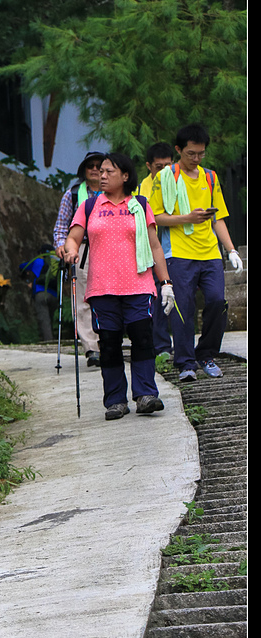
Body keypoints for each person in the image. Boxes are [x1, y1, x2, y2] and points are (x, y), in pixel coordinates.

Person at [64, 153, 175, 421]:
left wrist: (166, 283)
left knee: (142, 338)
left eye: (108, 171)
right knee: (110, 344)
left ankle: (146, 394)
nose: (101, 176)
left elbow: (154, 245)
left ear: (125, 176)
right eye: (100, 171)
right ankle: (115, 400)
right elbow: (73, 237)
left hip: (138, 284)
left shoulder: (139, 205)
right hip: (102, 288)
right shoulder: (90, 206)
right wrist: (70, 251)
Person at [148, 124, 244, 382]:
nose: (197, 158)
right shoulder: (166, 177)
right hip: (178, 253)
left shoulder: (210, 178)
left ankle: (206, 354)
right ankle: (185, 362)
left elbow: (219, 218)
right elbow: (156, 217)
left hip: (210, 252)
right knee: (183, 308)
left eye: (201, 153)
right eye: (191, 153)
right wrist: (187, 218)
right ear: (179, 150)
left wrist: (231, 249)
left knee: (216, 301)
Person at [54, 152, 104, 367]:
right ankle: (92, 348)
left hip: (109, 250)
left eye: (99, 166)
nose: (94, 169)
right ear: (84, 170)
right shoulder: (73, 194)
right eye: (90, 166)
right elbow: (61, 226)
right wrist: (61, 246)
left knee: (108, 297)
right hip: (82, 250)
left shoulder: (114, 193)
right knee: (83, 299)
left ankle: (107, 342)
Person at [139, 142, 175, 357]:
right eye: (159, 167)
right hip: (149, 251)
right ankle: (161, 346)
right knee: (156, 298)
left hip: (175, 249)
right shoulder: (139, 190)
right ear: (149, 166)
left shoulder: (177, 184)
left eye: (168, 166)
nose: (164, 171)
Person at [19, 247, 59, 342]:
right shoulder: (56, 261)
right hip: (54, 295)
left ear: (41, 253)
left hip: (41, 293)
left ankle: (48, 341)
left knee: (44, 319)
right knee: (50, 317)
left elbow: (22, 266)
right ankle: (52, 338)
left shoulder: (38, 261)